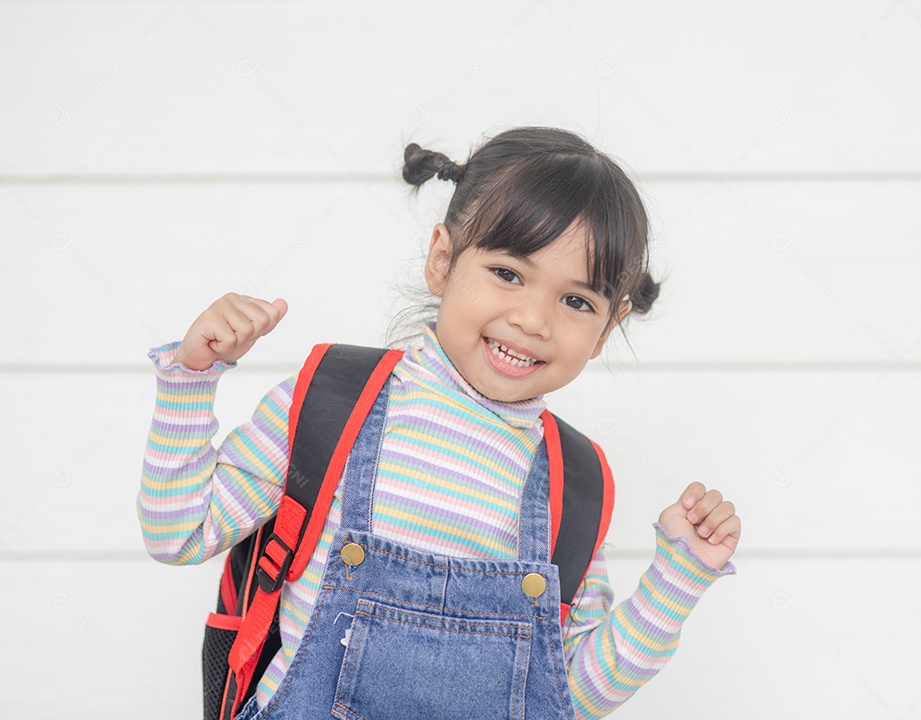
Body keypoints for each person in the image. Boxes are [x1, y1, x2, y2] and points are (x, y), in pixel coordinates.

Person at [137, 126, 741, 720]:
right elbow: (179, 533)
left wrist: (676, 583)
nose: (533, 319)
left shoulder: (573, 488)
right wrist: (191, 381)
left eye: (577, 301)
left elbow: (569, 700)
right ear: (442, 261)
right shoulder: (329, 403)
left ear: (608, 328)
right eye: (508, 273)